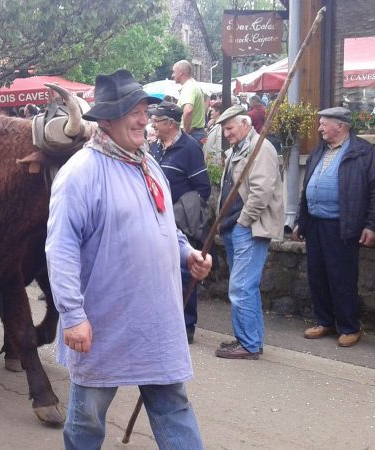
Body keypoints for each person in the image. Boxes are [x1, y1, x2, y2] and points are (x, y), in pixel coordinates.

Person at [46, 69, 211, 449]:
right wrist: (72, 316)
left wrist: (187, 254)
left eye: (144, 110)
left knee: (173, 406)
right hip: (104, 322)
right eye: (132, 111)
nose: (143, 119)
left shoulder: (148, 164)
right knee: (87, 418)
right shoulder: (80, 174)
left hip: (156, 319)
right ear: (107, 119)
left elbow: (164, 224)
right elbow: (61, 248)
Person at [293, 107, 375, 347]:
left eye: (324, 124)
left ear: (341, 126)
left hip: (342, 224)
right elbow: (307, 189)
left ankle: (349, 327)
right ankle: (324, 321)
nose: (320, 128)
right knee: (317, 275)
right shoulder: (319, 151)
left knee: (342, 277)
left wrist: (372, 225)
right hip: (315, 223)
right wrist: (300, 221)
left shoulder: (363, 152)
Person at [214, 106, 284, 360]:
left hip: (249, 228)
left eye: (230, 128)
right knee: (246, 287)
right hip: (237, 226)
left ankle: (249, 344)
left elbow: (261, 193)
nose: (227, 133)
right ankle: (249, 339)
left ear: (245, 124)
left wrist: (242, 222)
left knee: (241, 287)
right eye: (224, 129)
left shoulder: (261, 148)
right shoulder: (239, 149)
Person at [149, 101, 212, 344]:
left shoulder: (190, 148)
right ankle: (165, 320)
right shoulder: (154, 147)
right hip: (156, 219)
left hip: (180, 222)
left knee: (185, 272)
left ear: (171, 123)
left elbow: (203, 188)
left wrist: (180, 211)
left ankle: (186, 326)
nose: (152, 123)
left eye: (157, 120)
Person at [172, 59, 207, 144]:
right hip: (197, 132)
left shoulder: (188, 87)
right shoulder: (194, 85)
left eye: (174, 72)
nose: (172, 75)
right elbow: (207, 98)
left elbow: (188, 110)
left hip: (193, 134)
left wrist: (185, 133)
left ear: (181, 72)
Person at [204, 102, 225, 166]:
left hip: (215, 165)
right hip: (210, 162)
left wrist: (220, 165)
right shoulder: (214, 124)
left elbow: (220, 147)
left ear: (217, 111)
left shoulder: (220, 126)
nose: (210, 113)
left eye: (212, 110)